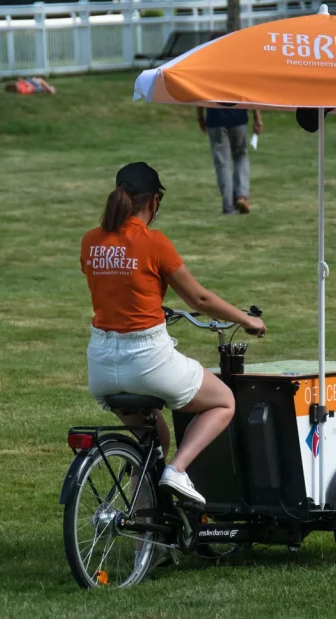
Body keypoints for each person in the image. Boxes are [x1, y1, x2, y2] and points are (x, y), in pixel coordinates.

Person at [81, 161, 266, 505]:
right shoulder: (154, 242)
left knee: (155, 440)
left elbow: (117, 287)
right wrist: (246, 318)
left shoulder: (91, 241)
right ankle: (178, 471)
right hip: (147, 360)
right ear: (153, 201)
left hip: (103, 365)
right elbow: (198, 298)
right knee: (224, 401)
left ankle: (144, 537)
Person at [196, 103, 263, 216]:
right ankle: (241, 196)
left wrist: (200, 116)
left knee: (222, 164)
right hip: (239, 118)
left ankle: (229, 206)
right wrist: (257, 117)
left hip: (216, 120)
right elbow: (248, 92)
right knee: (240, 156)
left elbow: (201, 94)